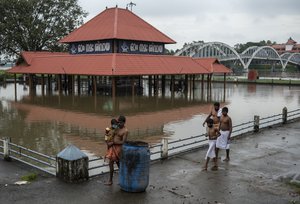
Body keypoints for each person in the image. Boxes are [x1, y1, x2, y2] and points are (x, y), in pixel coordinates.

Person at [105, 115, 128, 185]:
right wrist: (107, 140)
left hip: (118, 149)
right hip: (112, 147)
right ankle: (115, 180)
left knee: (119, 165)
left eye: (120, 122)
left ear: (124, 123)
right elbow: (109, 133)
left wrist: (113, 142)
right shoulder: (116, 127)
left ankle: (115, 180)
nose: (119, 124)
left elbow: (123, 142)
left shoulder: (125, 131)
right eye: (118, 122)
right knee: (112, 163)